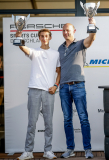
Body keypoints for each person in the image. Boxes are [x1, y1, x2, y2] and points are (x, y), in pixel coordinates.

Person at [16, 29, 61, 160]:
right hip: (34, 89)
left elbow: (59, 72)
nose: (44, 38)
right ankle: (28, 151)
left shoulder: (56, 54)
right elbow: (22, 47)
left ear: (50, 38)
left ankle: (48, 150)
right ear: (39, 38)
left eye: (46, 36)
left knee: (49, 123)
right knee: (31, 123)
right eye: (42, 36)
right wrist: (18, 36)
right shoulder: (34, 52)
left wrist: (56, 85)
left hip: (49, 91)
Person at [58, 18, 96, 159]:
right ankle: (70, 149)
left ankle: (88, 149)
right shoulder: (60, 48)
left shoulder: (80, 44)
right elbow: (59, 69)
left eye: (68, 30)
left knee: (83, 118)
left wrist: (92, 24)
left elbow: (91, 38)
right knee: (67, 119)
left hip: (78, 85)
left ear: (74, 31)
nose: (65, 32)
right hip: (63, 88)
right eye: (63, 30)